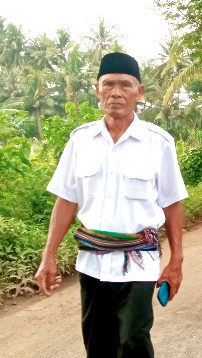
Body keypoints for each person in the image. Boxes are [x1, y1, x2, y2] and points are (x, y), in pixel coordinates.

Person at [34, 52, 188, 357]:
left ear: (139, 91)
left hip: (139, 263)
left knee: (134, 339)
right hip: (92, 263)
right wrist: (48, 256)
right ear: (97, 89)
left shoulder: (158, 142)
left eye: (125, 85)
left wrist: (176, 261)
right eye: (108, 84)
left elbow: (172, 205)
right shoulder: (80, 141)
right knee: (97, 344)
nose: (116, 92)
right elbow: (66, 200)